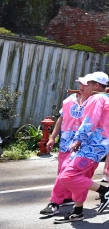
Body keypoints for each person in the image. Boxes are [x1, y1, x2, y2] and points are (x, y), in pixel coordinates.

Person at [53, 72, 109, 223]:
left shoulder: (97, 98)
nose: (84, 87)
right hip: (99, 144)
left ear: (96, 85)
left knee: (67, 176)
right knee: (80, 177)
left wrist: (78, 140)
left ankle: (104, 190)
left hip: (92, 145)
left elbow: (90, 121)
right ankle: (78, 211)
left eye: (87, 84)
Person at [39, 75, 92, 217]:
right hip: (65, 143)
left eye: (85, 85)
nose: (81, 87)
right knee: (62, 174)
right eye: (80, 84)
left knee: (66, 173)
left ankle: (54, 202)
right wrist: (52, 137)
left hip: (82, 145)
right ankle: (67, 198)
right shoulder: (69, 100)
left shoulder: (94, 103)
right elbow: (61, 119)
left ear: (93, 87)